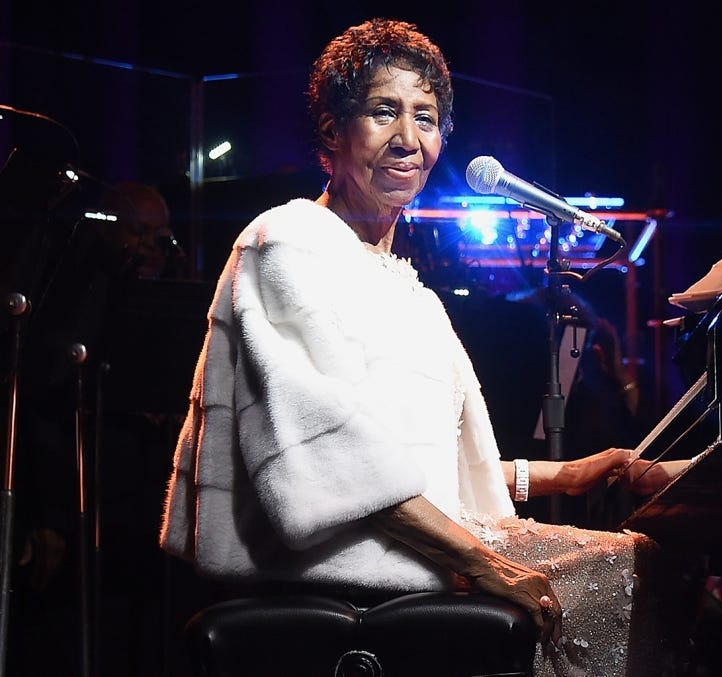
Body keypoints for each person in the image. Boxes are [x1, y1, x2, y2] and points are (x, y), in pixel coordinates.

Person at [159, 18, 689, 676]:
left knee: (668, 574)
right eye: (384, 112)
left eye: (426, 117)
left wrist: (572, 471)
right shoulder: (288, 239)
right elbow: (336, 462)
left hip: (406, 551)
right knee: (661, 590)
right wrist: (484, 563)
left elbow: (425, 472)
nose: (410, 139)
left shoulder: (414, 293)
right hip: (334, 568)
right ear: (332, 131)